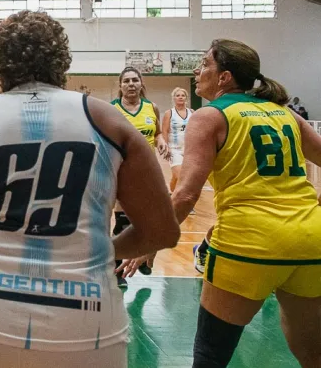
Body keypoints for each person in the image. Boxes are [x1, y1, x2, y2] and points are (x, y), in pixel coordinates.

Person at [0, 10, 179, 368]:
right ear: (61, 61)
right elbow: (162, 231)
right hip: (87, 317)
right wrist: (100, 250)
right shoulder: (111, 122)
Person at [121, 39, 321, 368]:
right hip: (311, 241)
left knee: (210, 356)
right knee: (313, 354)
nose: (197, 71)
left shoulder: (209, 116)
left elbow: (186, 195)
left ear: (224, 77)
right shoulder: (285, 113)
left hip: (248, 243)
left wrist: (150, 242)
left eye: (204, 64)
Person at [110, 66, 169, 286]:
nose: (131, 84)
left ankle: (145, 258)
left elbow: (157, 133)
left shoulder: (151, 107)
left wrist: (161, 142)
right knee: (122, 222)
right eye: (126, 81)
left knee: (150, 220)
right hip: (123, 172)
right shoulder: (112, 109)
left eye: (135, 80)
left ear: (141, 83)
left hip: (148, 173)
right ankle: (116, 272)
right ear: (120, 85)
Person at [163, 87, 193, 192]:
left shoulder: (192, 112)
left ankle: (172, 195)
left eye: (183, 95)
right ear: (174, 98)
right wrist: (166, 147)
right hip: (174, 149)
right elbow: (165, 131)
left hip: (189, 149)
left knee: (176, 177)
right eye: (178, 95)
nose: (180, 97)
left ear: (186, 98)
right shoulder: (169, 113)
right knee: (181, 176)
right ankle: (182, 200)